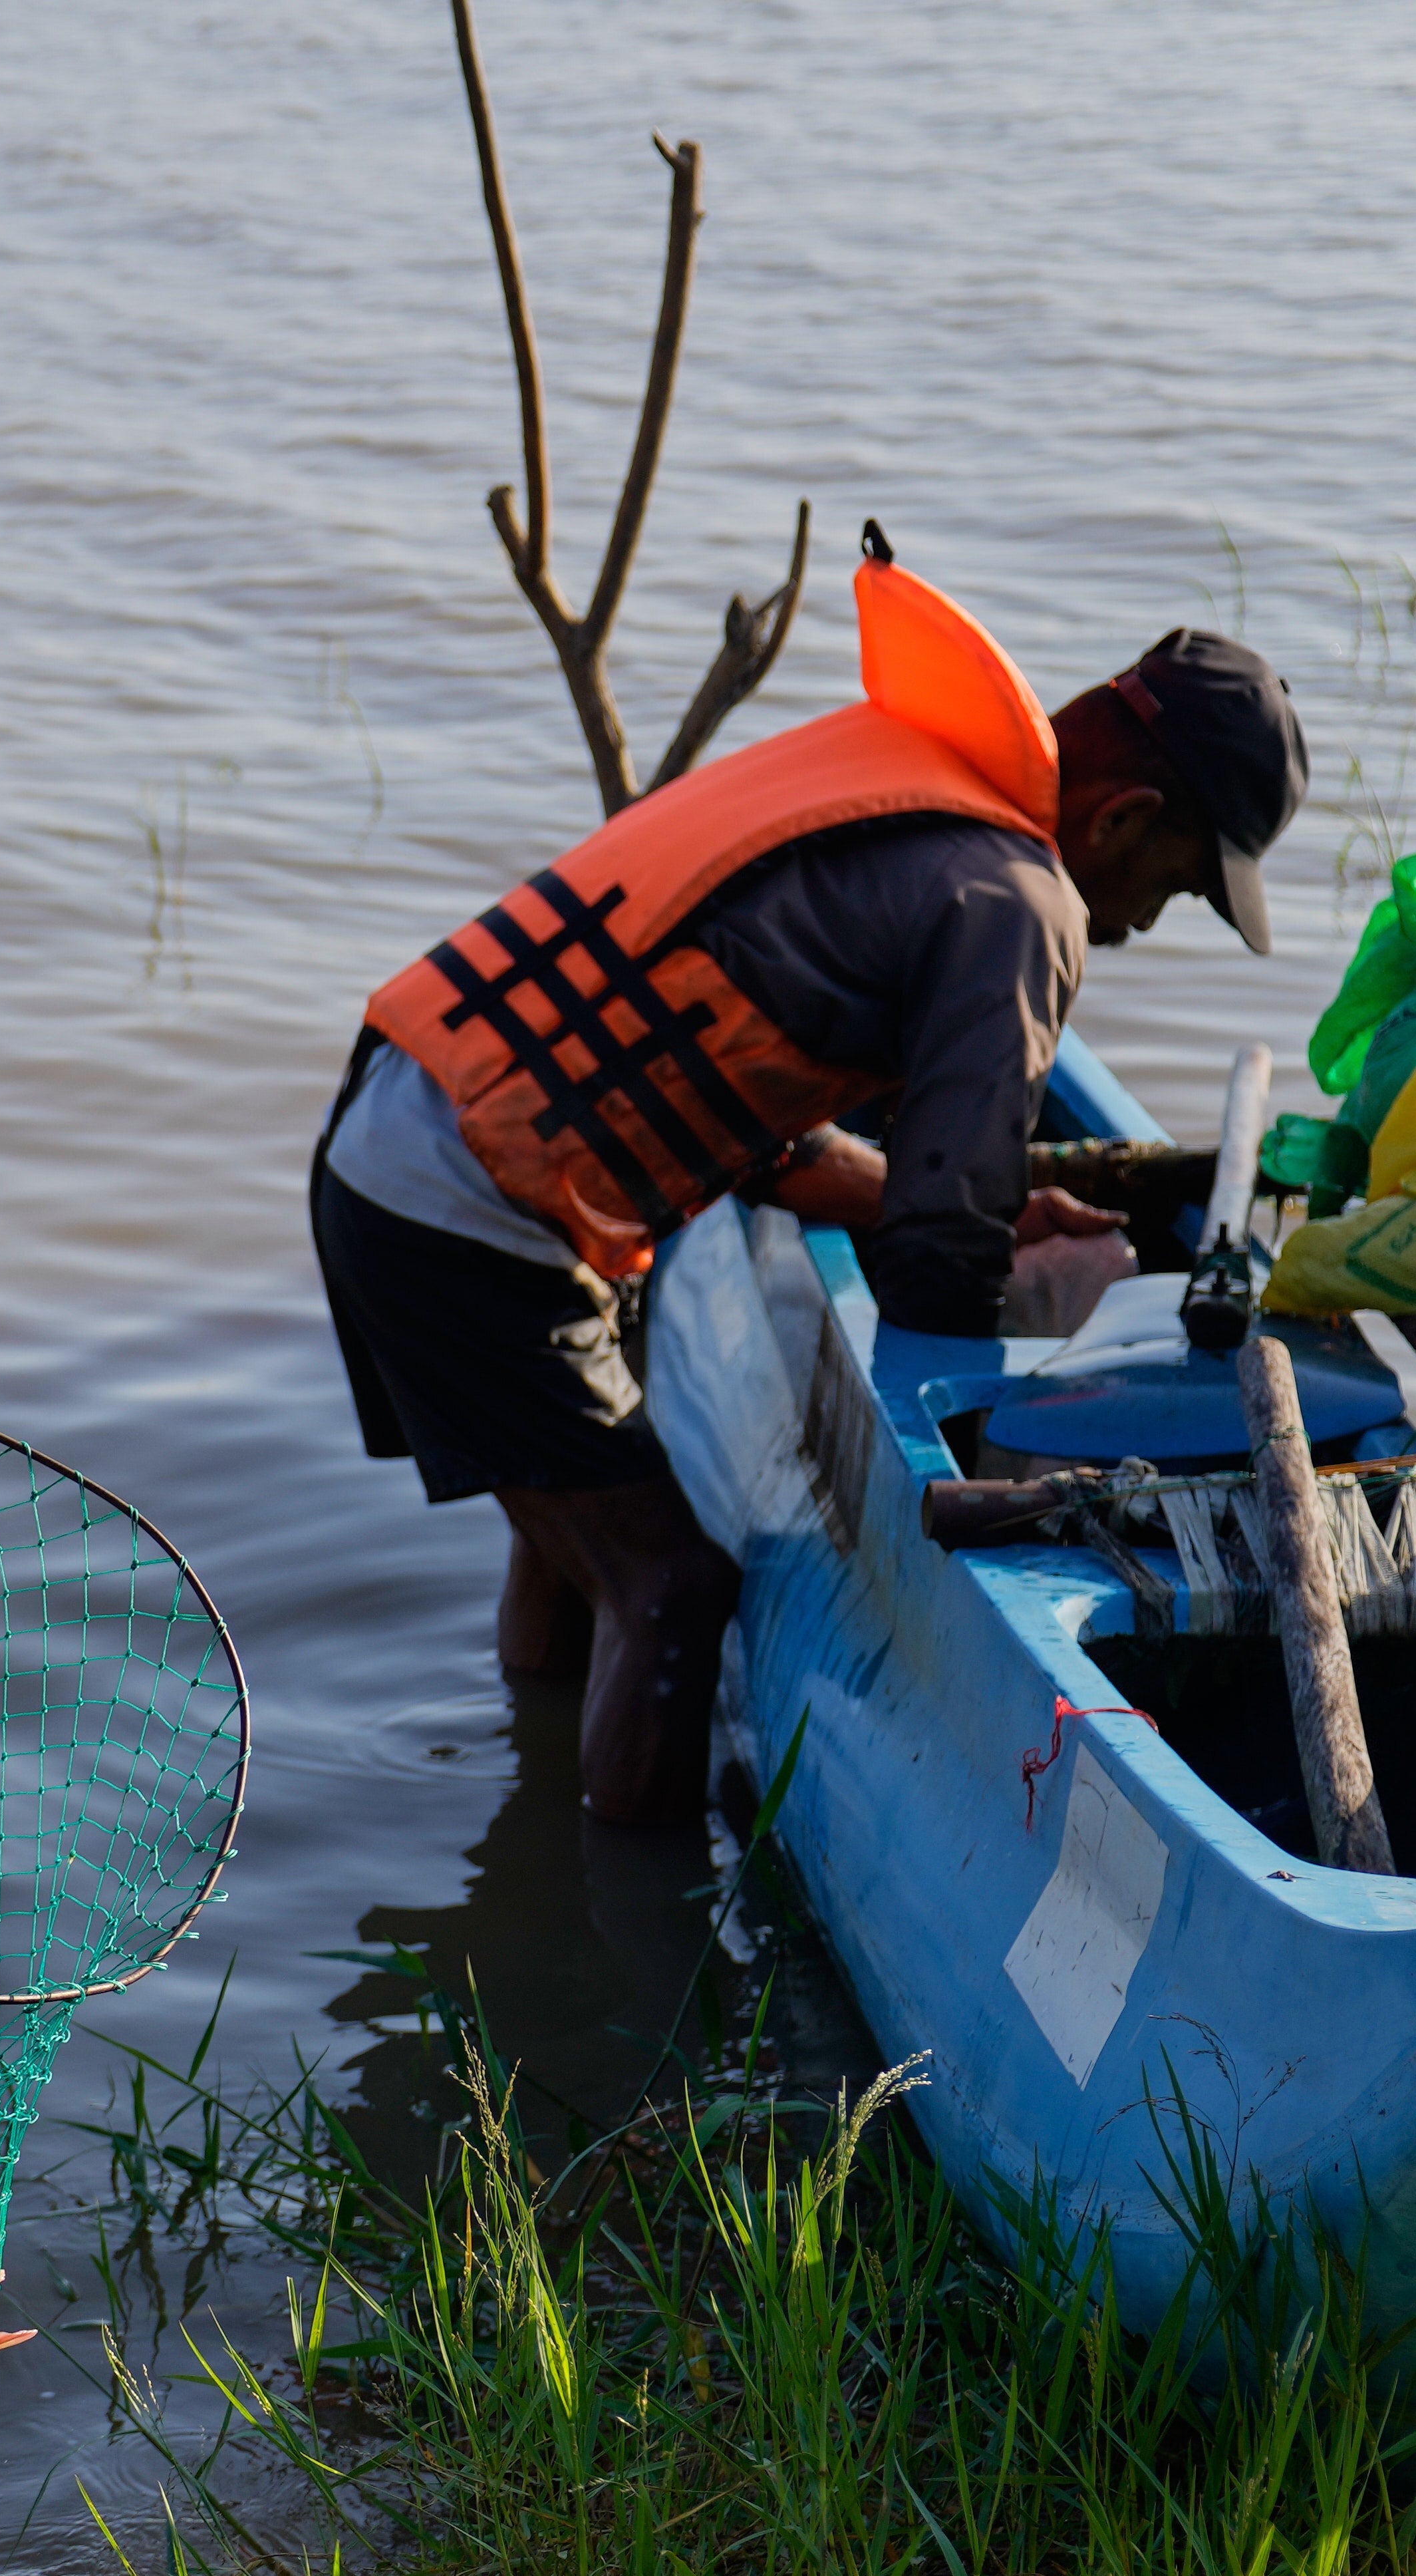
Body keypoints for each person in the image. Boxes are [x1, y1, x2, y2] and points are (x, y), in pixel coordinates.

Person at [317, 539, 1303, 1826]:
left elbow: (734, 1101)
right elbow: (941, 1263)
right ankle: (630, 1967)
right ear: (1121, 820)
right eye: (1175, 886)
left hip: (399, 1136)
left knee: (573, 1543)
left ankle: (533, 1822)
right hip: (474, 1208)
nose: (1144, 922)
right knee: (670, 1586)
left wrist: (975, 1205)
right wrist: (972, 1467)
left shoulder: (906, 782)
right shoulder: (1019, 901)